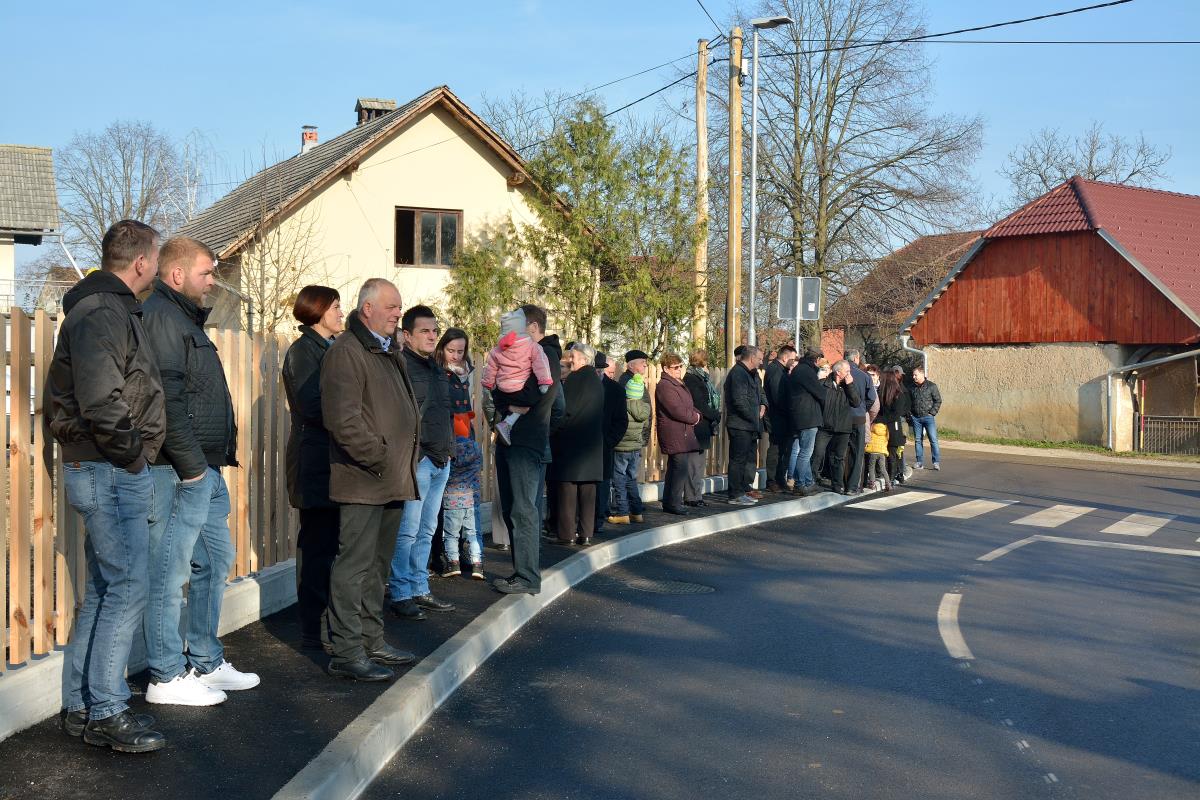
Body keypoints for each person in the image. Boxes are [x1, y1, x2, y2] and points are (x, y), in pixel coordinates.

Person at [48, 219, 167, 752]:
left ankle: (83, 704)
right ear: (141, 262)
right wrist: (135, 459)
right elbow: (101, 400)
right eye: (156, 259)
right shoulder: (101, 311)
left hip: (105, 467)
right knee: (127, 587)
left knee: (104, 587)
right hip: (110, 468)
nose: (157, 268)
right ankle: (107, 710)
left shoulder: (107, 308)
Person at [141, 236, 257, 707]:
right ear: (176, 275)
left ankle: (206, 661)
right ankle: (165, 676)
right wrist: (192, 469)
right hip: (177, 470)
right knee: (169, 572)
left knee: (214, 560)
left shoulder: (185, 319)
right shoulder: (162, 318)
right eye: (206, 272)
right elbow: (166, 400)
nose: (213, 281)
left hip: (201, 467)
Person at [320, 278, 420, 681]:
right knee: (354, 567)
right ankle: (347, 652)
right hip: (365, 479)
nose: (398, 313)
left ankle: (371, 641)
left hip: (390, 479)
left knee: (377, 567)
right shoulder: (347, 351)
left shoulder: (386, 349)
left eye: (399, 306)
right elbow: (343, 421)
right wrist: (379, 457)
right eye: (392, 306)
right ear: (368, 309)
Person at [282, 285, 345, 653]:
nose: (341, 313)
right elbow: (313, 406)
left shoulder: (329, 348)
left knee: (331, 546)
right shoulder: (303, 352)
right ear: (318, 310)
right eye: (335, 307)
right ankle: (311, 629)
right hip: (314, 461)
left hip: (330, 459)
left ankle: (328, 625)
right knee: (317, 547)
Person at [388, 305, 456, 620]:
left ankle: (419, 588)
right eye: (424, 331)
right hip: (418, 461)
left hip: (441, 460)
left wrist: (449, 451)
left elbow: (445, 413)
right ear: (407, 335)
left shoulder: (437, 369)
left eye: (434, 331)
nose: (431, 336)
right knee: (408, 531)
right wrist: (416, 455)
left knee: (427, 530)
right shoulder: (400, 366)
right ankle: (401, 592)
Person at [492, 304, 564, 595]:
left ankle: (526, 576)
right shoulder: (537, 355)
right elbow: (558, 407)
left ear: (532, 327)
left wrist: (509, 404)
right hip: (523, 440)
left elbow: (527, 394)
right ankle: (523, 572)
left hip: (524, 443)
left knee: (522, 510)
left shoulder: (543, 355)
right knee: (518, 509)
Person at [437, 328, 484, 579]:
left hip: (464, 434)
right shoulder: (438, 372)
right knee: (444, 506)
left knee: (460, 507)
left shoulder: (464, 372)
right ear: (442, 348)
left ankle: (460, 555)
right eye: (451, 350)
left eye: (460, 351)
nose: (455, 356)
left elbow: (466, 406)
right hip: (447, 437)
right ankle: (445, 555)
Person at [481, 307, 554, 445]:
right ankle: (508, 422)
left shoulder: (497, 350)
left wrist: (488, 384)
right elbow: (540, 366)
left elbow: (490, 369)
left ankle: (507, 422)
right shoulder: (533, 347)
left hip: (503, 386)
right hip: (520, 386)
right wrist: (544, 381)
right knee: (531, 399)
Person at [655, 354, 702, 515]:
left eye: (680, 366)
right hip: (673, 432)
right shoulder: (665, 386)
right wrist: (694, 418)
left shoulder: (678, 383)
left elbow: (689, 405)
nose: (679, 369)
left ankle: (670, 502)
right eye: (675, 367)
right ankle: (673, 503)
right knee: (679, 468)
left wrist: (697, 414)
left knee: (676, 468)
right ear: (666, 368)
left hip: (682, 432)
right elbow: (676, 410)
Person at [811, 360, 861, 495]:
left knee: (838, 457)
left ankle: (837, 485)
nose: (849, 374)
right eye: (847, 371)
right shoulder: (823, 384)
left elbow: (856, 402)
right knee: (817, 454)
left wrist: (850, 385)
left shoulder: (848, 386)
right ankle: (811, 481)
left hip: (843, 428)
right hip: (824, 427)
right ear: (838, 372)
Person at [725, 345, 767, 506]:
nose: (761, 362)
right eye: (759, 359)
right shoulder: (738, 374)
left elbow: (760, 393)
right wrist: (753, 417)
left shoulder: (751, 373)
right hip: (740, 425)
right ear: (751, 358)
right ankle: (735, 494)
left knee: (746, 460)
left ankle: (742, 490)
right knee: (737, 460)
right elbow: (739, 401)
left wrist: (763, 405)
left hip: (749, 425)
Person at [613, 349, 652, 523]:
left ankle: (623, 511)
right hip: (634, 440)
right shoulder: (627, 382)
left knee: (620, 477)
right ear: (631, 365)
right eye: (642, 362)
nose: (645, 365)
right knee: (630, 477)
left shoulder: (632, 383)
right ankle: (635, 510)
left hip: (624, 442)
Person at [594, 352, 628, 533]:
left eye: (600, 369)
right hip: (582, 447)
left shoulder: (616, 390)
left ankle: (598, 519)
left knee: (602, 484)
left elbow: (621, 421)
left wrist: (608, 442)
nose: (597, 372)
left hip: (604, 446)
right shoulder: (580, 386)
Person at [683, 349, 721, 507]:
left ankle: (696, 495)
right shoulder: (692, 378)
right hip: (697, 426)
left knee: (699, 464)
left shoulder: (701, 377)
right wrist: (715, 414)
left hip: (704, 426)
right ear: (703, 361)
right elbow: (699, 403)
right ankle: (691, 497)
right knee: (693, 464)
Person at [786, 347, 825, 496]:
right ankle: (800, 484)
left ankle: (808, 482)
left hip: (798, 416)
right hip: (808, 417)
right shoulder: (807, 371)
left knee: (802, 451)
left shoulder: (799, 369)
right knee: (805, 453)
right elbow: (820, 393)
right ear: (816, 359)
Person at [763, 345, 797, 492]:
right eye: (792, 359)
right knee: (776, 449)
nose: (793, 362)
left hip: (783, 417)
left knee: (784, 450)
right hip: (777, 417)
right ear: (784, 357)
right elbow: (777, 395)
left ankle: (779, 478)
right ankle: (772, 480)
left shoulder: (782, 370)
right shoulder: (775, 370)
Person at [844, 349, 878, 494]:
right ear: (856, 359)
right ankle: (852, 486)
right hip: (858, 417)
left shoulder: (838, 373)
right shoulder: (864, 376)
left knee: (841, 453)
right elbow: (872, 398)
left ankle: (839, 483)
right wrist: (863, 408)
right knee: (857, 453)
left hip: (840, 417)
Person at [878, 369, 913, 485]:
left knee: (893, 454)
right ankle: (893, 474)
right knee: (887, 453)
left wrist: (880, 419)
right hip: (883, 427)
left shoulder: (899, 395)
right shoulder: (882, 393)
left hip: (894, 427)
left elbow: (896, 414)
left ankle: (893, 477)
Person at [910, 366, 943, 470]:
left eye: (915, 375)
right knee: (918, 440)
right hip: (916, 418)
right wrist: (911, 414)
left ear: (922, 374)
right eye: (913, 375)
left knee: (933, 440)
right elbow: (909, 401)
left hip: (928, 417)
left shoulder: (931, 386)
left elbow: (938, 400)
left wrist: (932, 413)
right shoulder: (911, 387)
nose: (913, 377)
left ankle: (936, 462)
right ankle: (919, 462)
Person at [865, 421, 892, 492]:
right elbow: (886, 441)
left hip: (873, 452)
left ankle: (872, 484)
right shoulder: (885, 431)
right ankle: (888, 484)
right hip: (882, 453)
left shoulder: (872, 429)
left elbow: (869, 440)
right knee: (883, 469)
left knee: (871, 468)